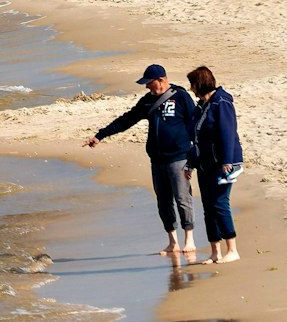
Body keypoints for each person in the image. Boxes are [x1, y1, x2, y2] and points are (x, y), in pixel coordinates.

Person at [86, 64, 200, 259]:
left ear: (161, 80)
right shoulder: (147, 101)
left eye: (149, 83)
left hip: (179, 157)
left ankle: (189, 239)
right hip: (157, 160)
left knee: (183, 199)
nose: (147, 87)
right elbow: (126, 120)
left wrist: (195, 152)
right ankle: (173, 242)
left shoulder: (181, 96)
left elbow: (195, 123)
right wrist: (100, 135)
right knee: (163, 202)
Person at [186, 65, 244, 265]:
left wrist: (227, 161)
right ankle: (215, 252)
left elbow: (227, 133)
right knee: (208, 207)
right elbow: (194, 137)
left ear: (200, 83)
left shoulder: (222, 102)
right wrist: (190, 163)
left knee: (220, 203)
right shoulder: (202, 106)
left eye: (192, 84)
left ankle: (232, 250)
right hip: (205, 163)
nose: (191, 88)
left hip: (223, 163)